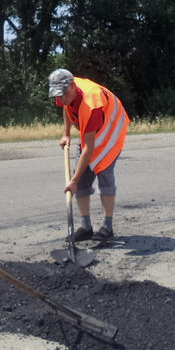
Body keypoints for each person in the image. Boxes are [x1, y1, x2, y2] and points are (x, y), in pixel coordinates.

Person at [49, 69, 129, 242]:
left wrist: (74, 180)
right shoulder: (65, 91)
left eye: (63, 94)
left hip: (111, 129)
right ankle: (86, 227)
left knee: (104, 175)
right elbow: (66, 107)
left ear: (72, 86)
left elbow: (89, 149)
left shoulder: (90, 105)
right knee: (82, 180)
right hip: (92, 132)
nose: (61, 99)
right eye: (57, 95)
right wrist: (66, 134)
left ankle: (107, 228)